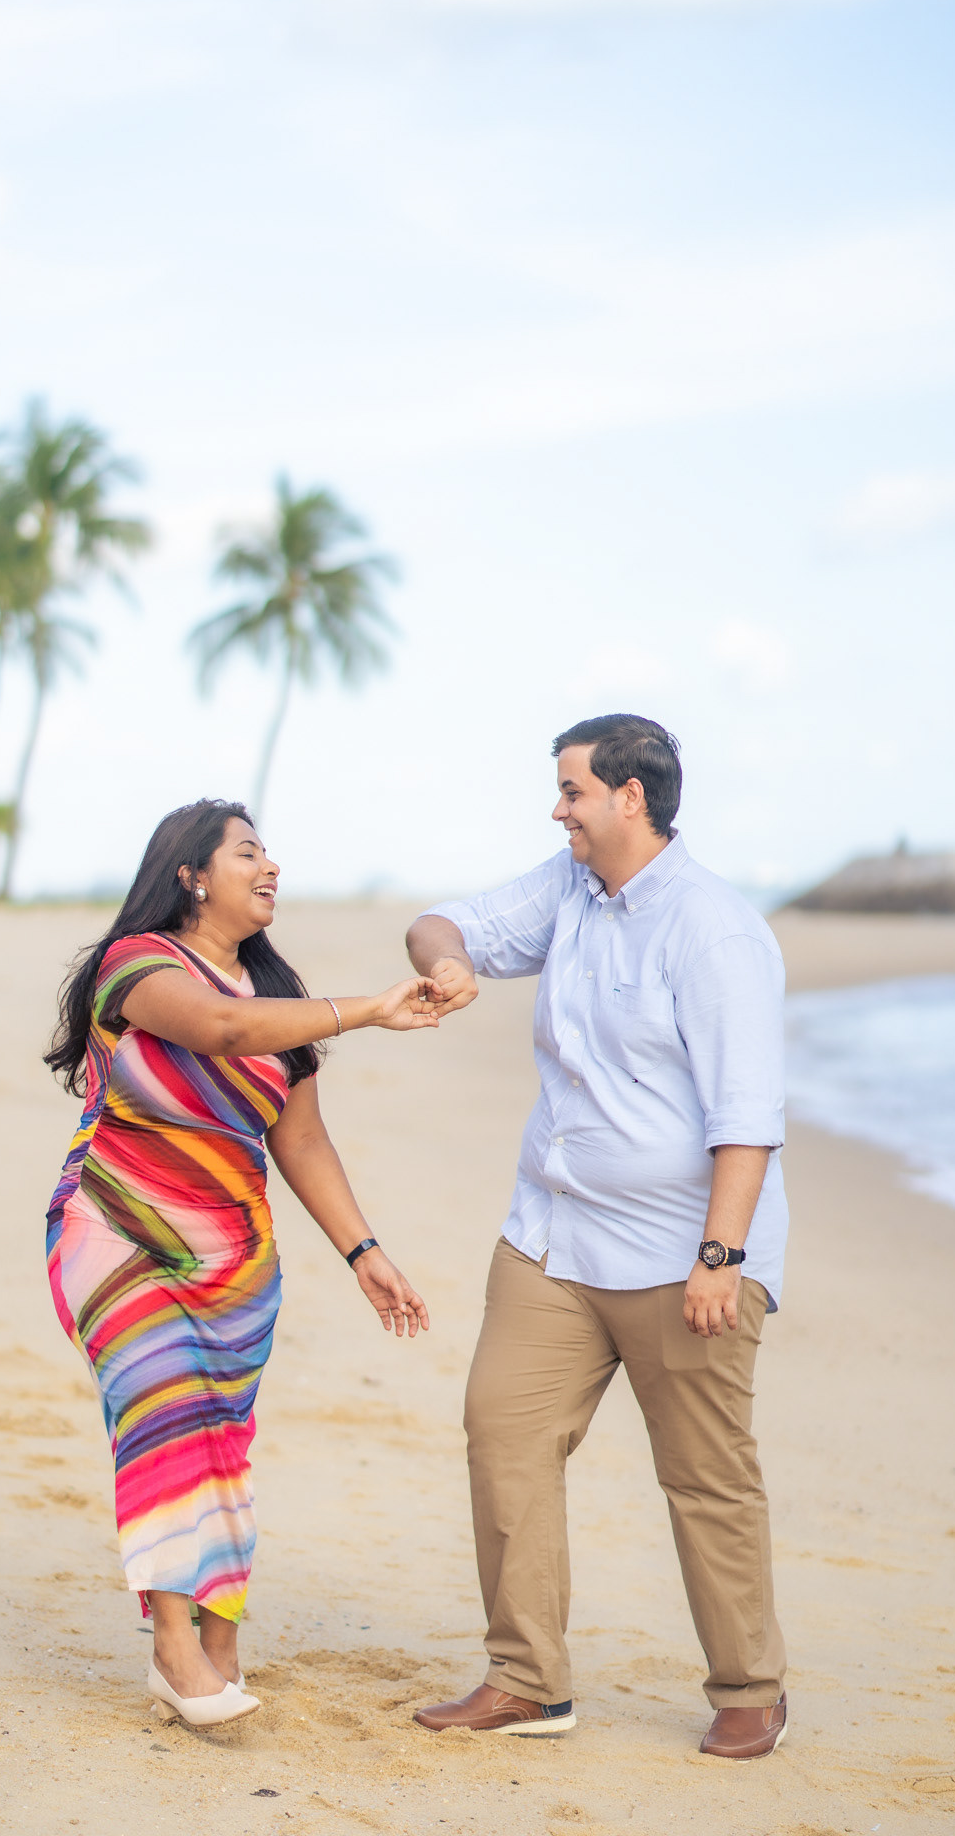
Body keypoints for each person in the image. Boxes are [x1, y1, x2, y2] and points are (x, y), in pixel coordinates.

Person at [405, 715, 789, 1758]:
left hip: (684, 1254)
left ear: (630, 797)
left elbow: (746, 1114)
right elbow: (442, 923)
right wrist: (449, 967)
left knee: (703, 1472)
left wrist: (719, 1258)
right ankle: (526, 1680)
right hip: (553, 1235)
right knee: (503, 1431)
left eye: (571, 791)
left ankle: (749, 1687)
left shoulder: (713, 931)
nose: (556, 810)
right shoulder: (571, 887)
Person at [44, 798, 437, 1729]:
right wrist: (369, 1009)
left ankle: (219, 1642)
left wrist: (364, 1252)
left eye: (270, 855)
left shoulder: (273, 993)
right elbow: (218, 1030)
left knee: (220, 1442)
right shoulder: (136, 964)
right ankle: (173, 1649)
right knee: (163, 1419)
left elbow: (300, 1139)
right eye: (247, 853)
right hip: (119, 1233)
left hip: (236, 1259)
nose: (269, 869)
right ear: (191, 874)